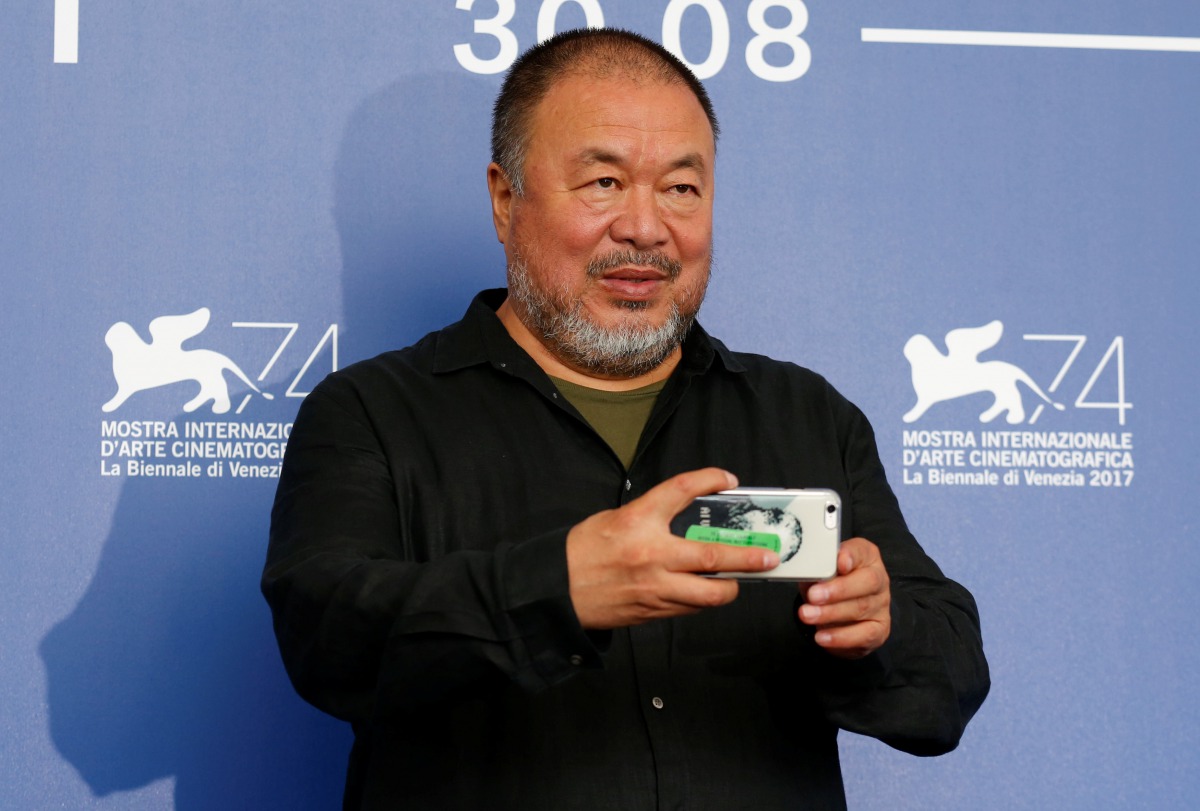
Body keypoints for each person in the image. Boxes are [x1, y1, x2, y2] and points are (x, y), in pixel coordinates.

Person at [263, 28, 989, 811]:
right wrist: (560, 589)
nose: (646, 228)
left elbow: (945, 689)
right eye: (604, 182)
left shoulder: (807, 414)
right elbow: (327, 641)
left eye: (682, 189)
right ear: (506, 201)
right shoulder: (372, 412)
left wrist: (877, 628)